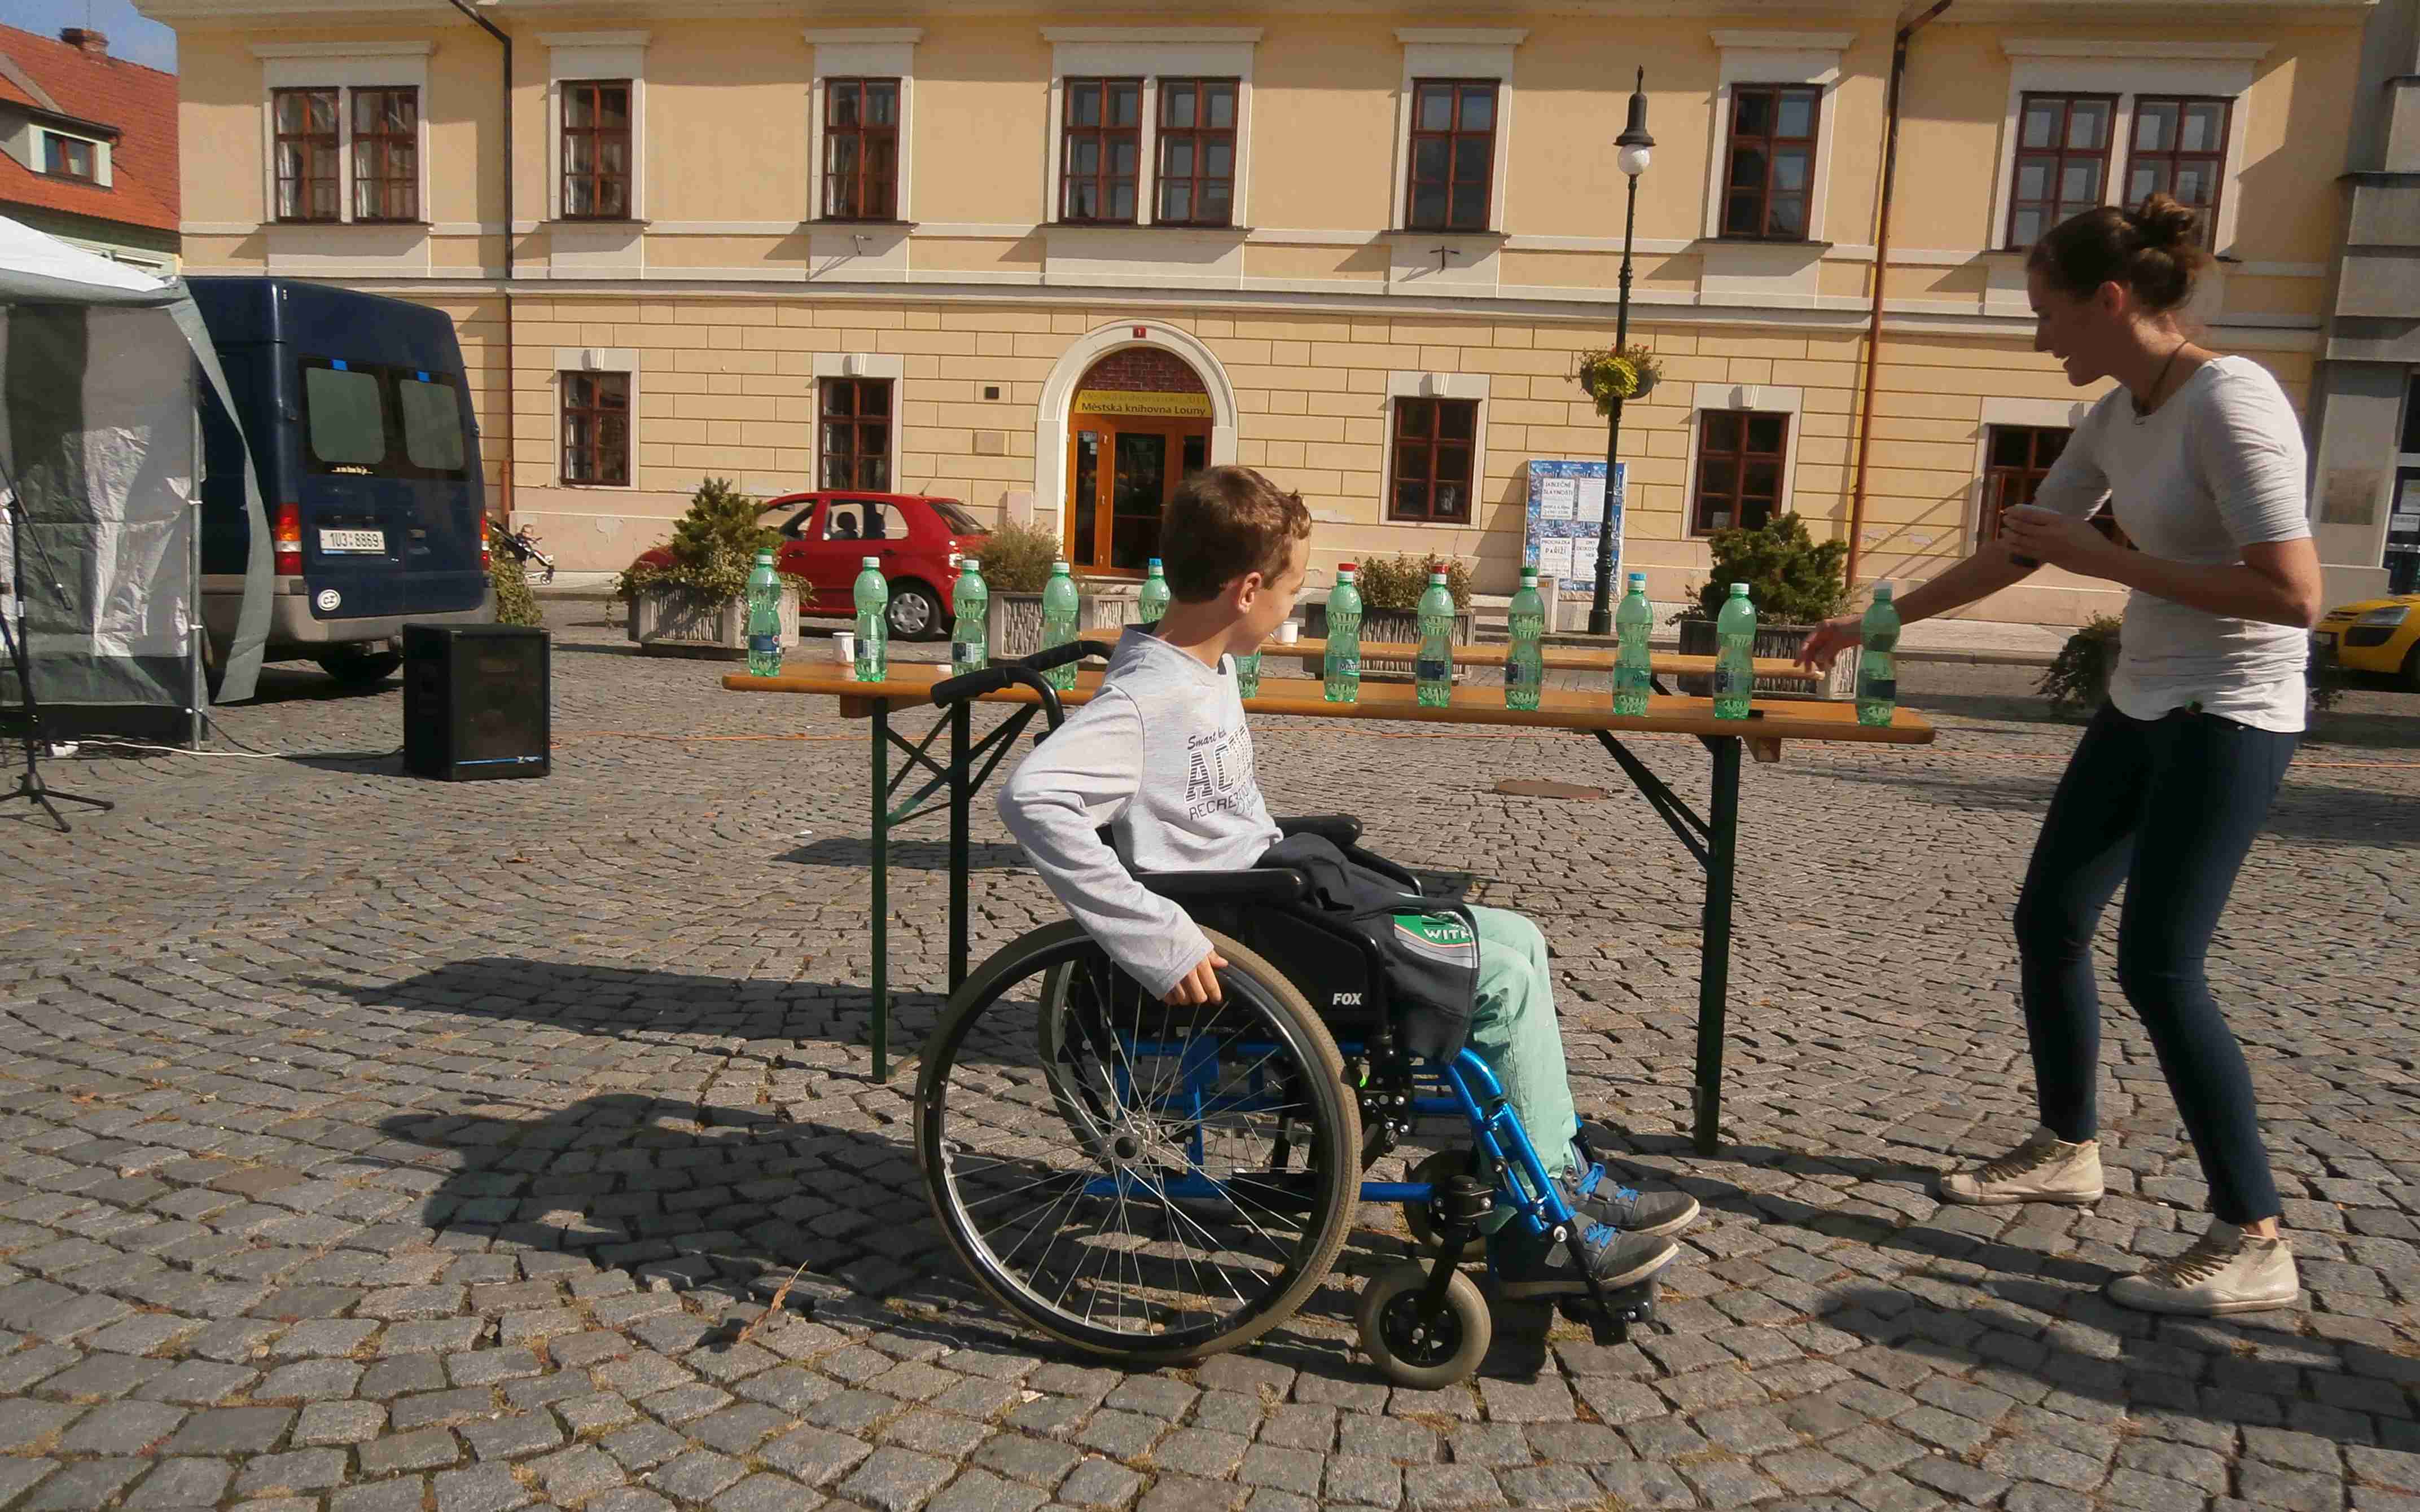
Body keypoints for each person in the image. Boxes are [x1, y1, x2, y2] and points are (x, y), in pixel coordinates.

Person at [1800, 194, 2323, 1316]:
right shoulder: (2116, 412)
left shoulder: (2231, 403)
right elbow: (2017, 550)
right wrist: (1873, 621)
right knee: (2047, 918)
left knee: (2159, 965)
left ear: (2111, 299)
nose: (2038, 338)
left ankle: (2253, 1231)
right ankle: (2065, 1143)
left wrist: (2107, 560)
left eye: (2046, 313)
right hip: (2142, 702)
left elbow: (2291, 596)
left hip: (2230, 713)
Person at [999, 464, 1699, 1299]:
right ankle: (1533, 1234)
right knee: (1502, 979)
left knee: (1519, 938)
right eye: (1292, 587)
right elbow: (1032, 796)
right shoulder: (1150, 697)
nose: (1296, 606)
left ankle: (1558, 1168)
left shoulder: (1204, 669)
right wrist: (1154, 935)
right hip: (1249, 928)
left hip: (1283, 892)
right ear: (1246, 589)